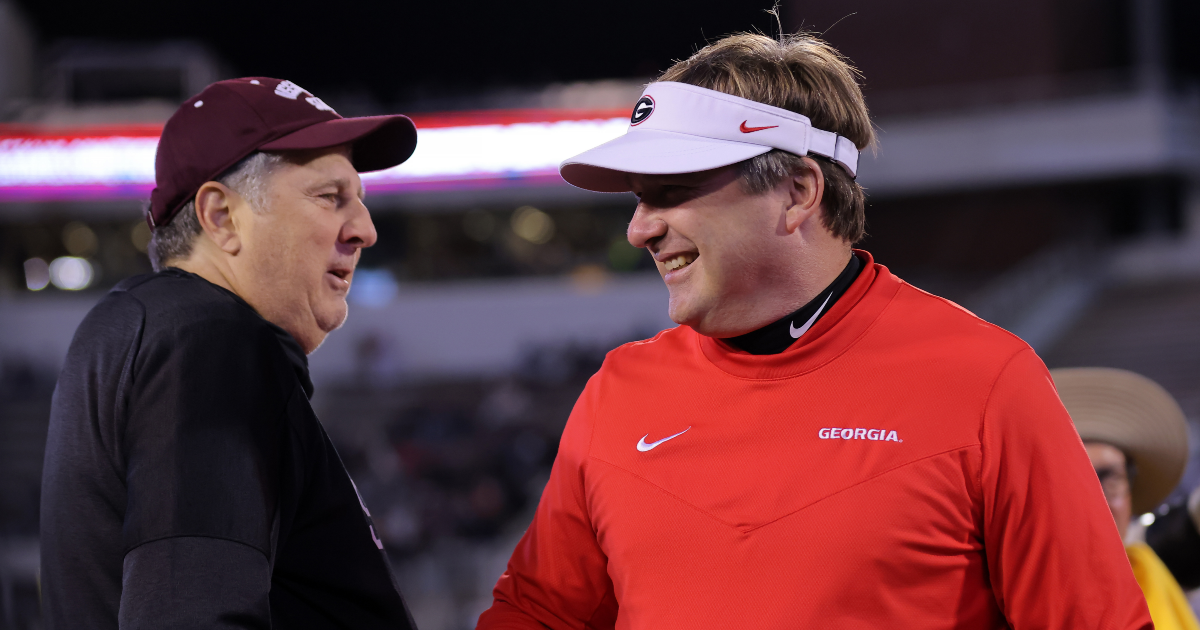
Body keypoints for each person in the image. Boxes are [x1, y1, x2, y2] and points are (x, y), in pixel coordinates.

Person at [476, 33, 1152, 629]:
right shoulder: (619, 390)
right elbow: (541, 613)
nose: (640, 228)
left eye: (674, 190)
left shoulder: (984, 380)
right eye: (639, 197)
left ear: (799, 191)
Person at [40, 77, 419, 629]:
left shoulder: (150, 326)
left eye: (359, 200)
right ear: (221, 217)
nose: (364, 229)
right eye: (329, 197)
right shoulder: (208, 339)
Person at [1053, 367, 1200, 630]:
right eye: (1073, 480)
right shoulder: (1000, 596)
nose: (1095, 500)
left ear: (1130, 490)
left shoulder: (1151, 568)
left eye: (1109, 479)